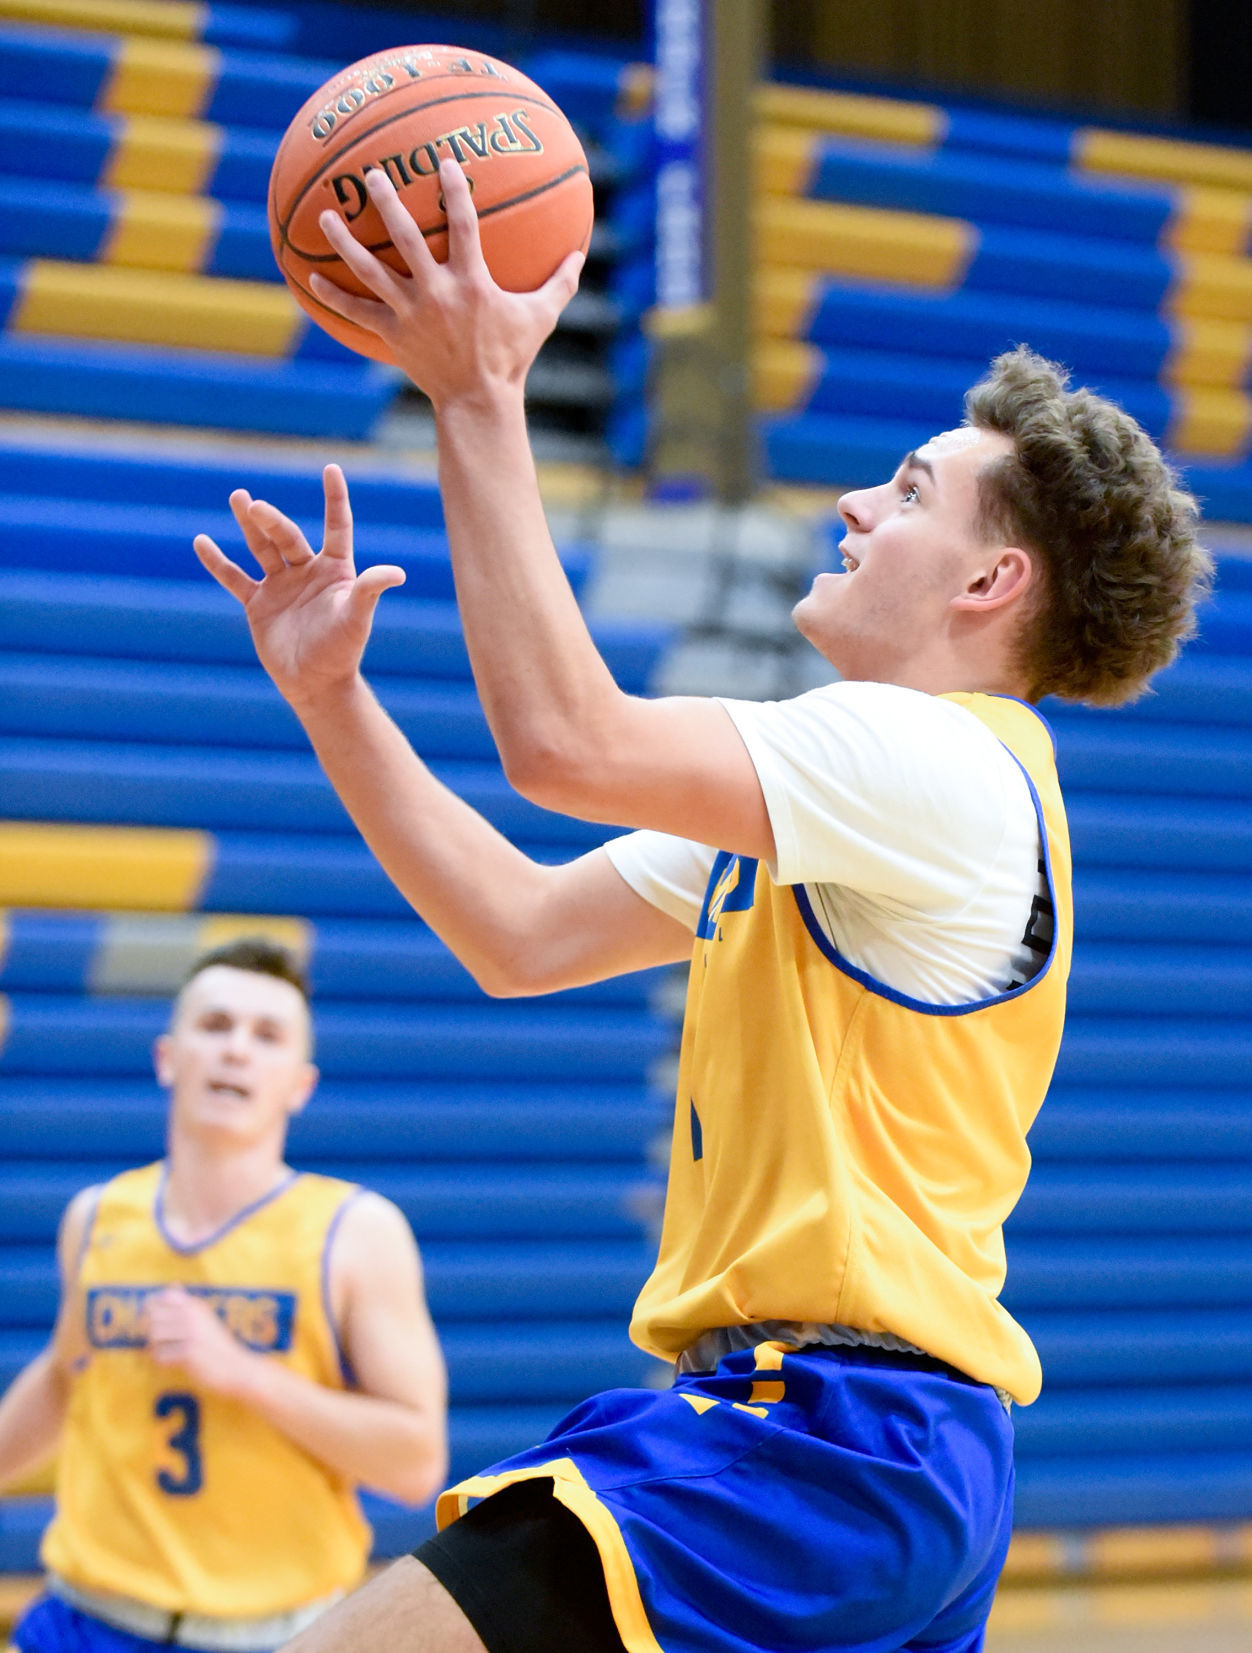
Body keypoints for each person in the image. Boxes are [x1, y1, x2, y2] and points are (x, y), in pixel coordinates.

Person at [191, 160, 1211, 1653]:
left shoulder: (926, 755)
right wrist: (334, 698)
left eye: (912, 490)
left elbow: (565, 743)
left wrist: (480, 395)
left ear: (993, 579)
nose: (858, 503)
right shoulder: (854, 800)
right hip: (875, 1446)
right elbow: (518, 933)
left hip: (821, 1436)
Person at [0, 938, 447, 1653]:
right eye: (214, 1026)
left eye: (266, 1035)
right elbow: (64, 1376)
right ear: (168, 1058)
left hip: (268, 1634)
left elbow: (414, 1460)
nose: (237, 1049)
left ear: (300, 1084)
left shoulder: (355, 1232)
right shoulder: (95, 1217)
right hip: (81, 1619)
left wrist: (244, 1372)